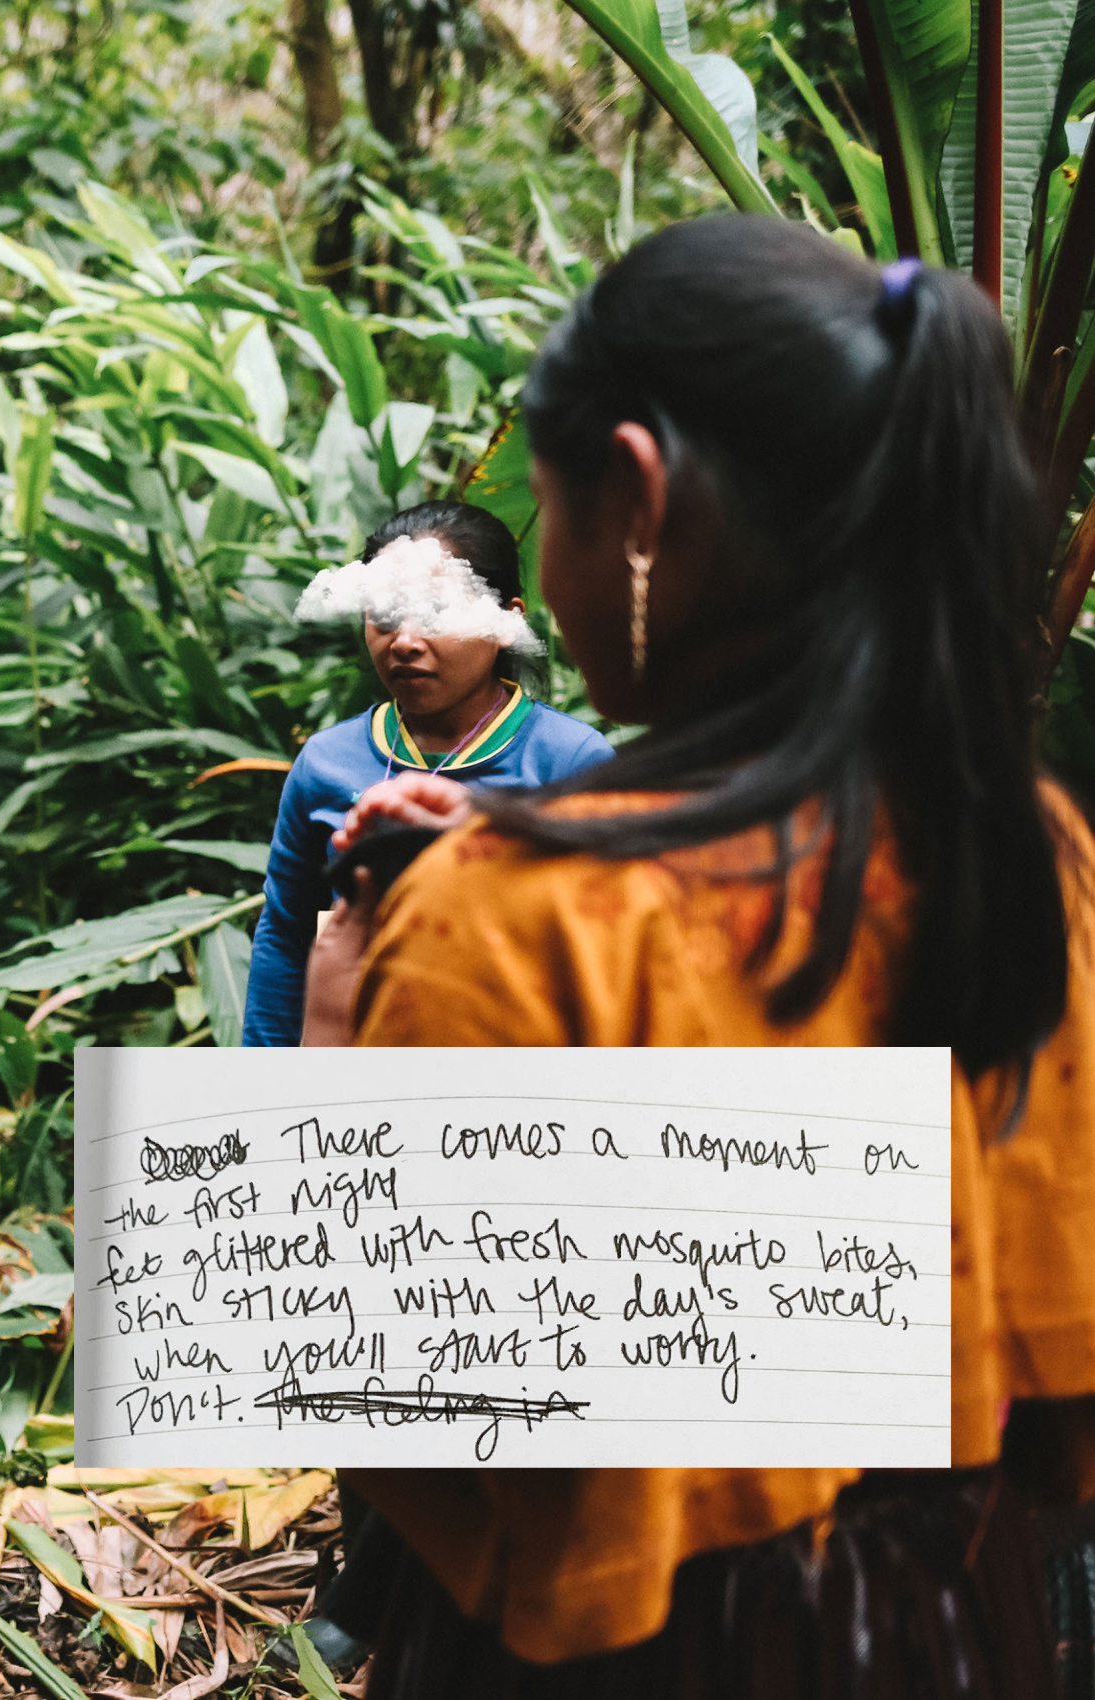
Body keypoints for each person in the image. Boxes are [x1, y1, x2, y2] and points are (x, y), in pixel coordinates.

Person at [306, 219, 1095, 1696]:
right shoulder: (1028, 849)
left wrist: (355, 982)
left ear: (640, 498)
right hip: (945, 1620)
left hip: (616, 1652)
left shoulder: (511, 916)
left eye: (544, 503)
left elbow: (408, 1415)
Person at [241, 501, 610, 1045]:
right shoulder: (325, 762)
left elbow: (604, 955)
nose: (405, 641)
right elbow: (287, 935)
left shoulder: (571, 763)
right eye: (386, 615)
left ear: (508, 619)